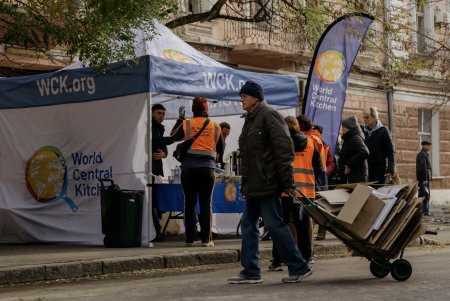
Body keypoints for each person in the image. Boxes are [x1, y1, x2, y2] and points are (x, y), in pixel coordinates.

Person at [227, 81, 312, 284]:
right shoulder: (250, 119)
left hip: (267, 183)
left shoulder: (269, 115)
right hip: (254, 184)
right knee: (249, 225)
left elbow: (284, 150)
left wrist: (287, 181)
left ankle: (298, 266)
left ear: (256, 97)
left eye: (245, 96)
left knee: (274, 225)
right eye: (241, 96)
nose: (241, 99)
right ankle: (250, 271)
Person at [269, 116, 323, 271]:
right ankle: (306, 257)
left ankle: (278, 259)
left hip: (286, 192)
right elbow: (318, 168)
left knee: (281, 226)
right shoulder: (311, 143)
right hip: (306, 192)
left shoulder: (281, 144)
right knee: (304, 226)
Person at [171, 97, 224, 247]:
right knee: (206, 203)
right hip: (207, 170)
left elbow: (173, 136)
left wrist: (180, 119)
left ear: (193, 109)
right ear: (207, 109)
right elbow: (220, 150)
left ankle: (190, 239)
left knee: (189, 203)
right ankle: (206, 240)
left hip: (188, 170)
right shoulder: (216, 126)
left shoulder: (186, 124)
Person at [151, 104, 174, 242]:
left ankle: (157, 229)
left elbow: (164, 148)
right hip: (149, 170)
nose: (161, 116)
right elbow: (157, 141)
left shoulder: (159, 128)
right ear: (152, 113)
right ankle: (156, 230)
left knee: (157, 202)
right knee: (153, 202)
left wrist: (164, 154)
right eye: (159, 113)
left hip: (156, 171)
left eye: (163, 113)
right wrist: (174, 138)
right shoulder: (150, 127)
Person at [362, 107, 395, 185]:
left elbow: (390, 152)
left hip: (380, 169)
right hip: (367, 169)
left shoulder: (383, 131)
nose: (365, 120)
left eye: (367, 117)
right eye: (363, 118)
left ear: (374, 117)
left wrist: (390, 170)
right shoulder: (363, 131)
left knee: (378, 192)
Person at [337, 116, 369, 184]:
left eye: (343, 127)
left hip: (356, 178)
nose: (342, 129)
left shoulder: (355, 138)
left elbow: (364, 152)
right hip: (351, 178)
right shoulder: (349, 138)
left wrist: (349, 164)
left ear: (348, 128)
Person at [416, 141, 432, 216]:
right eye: (428, 145)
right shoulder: (422, 154)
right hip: (424, 179)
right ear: (423, 146)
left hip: (423, 179)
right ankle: (425, 211)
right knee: (425, 195)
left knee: (422, 195)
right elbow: (423, 167)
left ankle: (421, 210)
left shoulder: (424, 154)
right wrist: (425, 179)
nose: (429, 147)